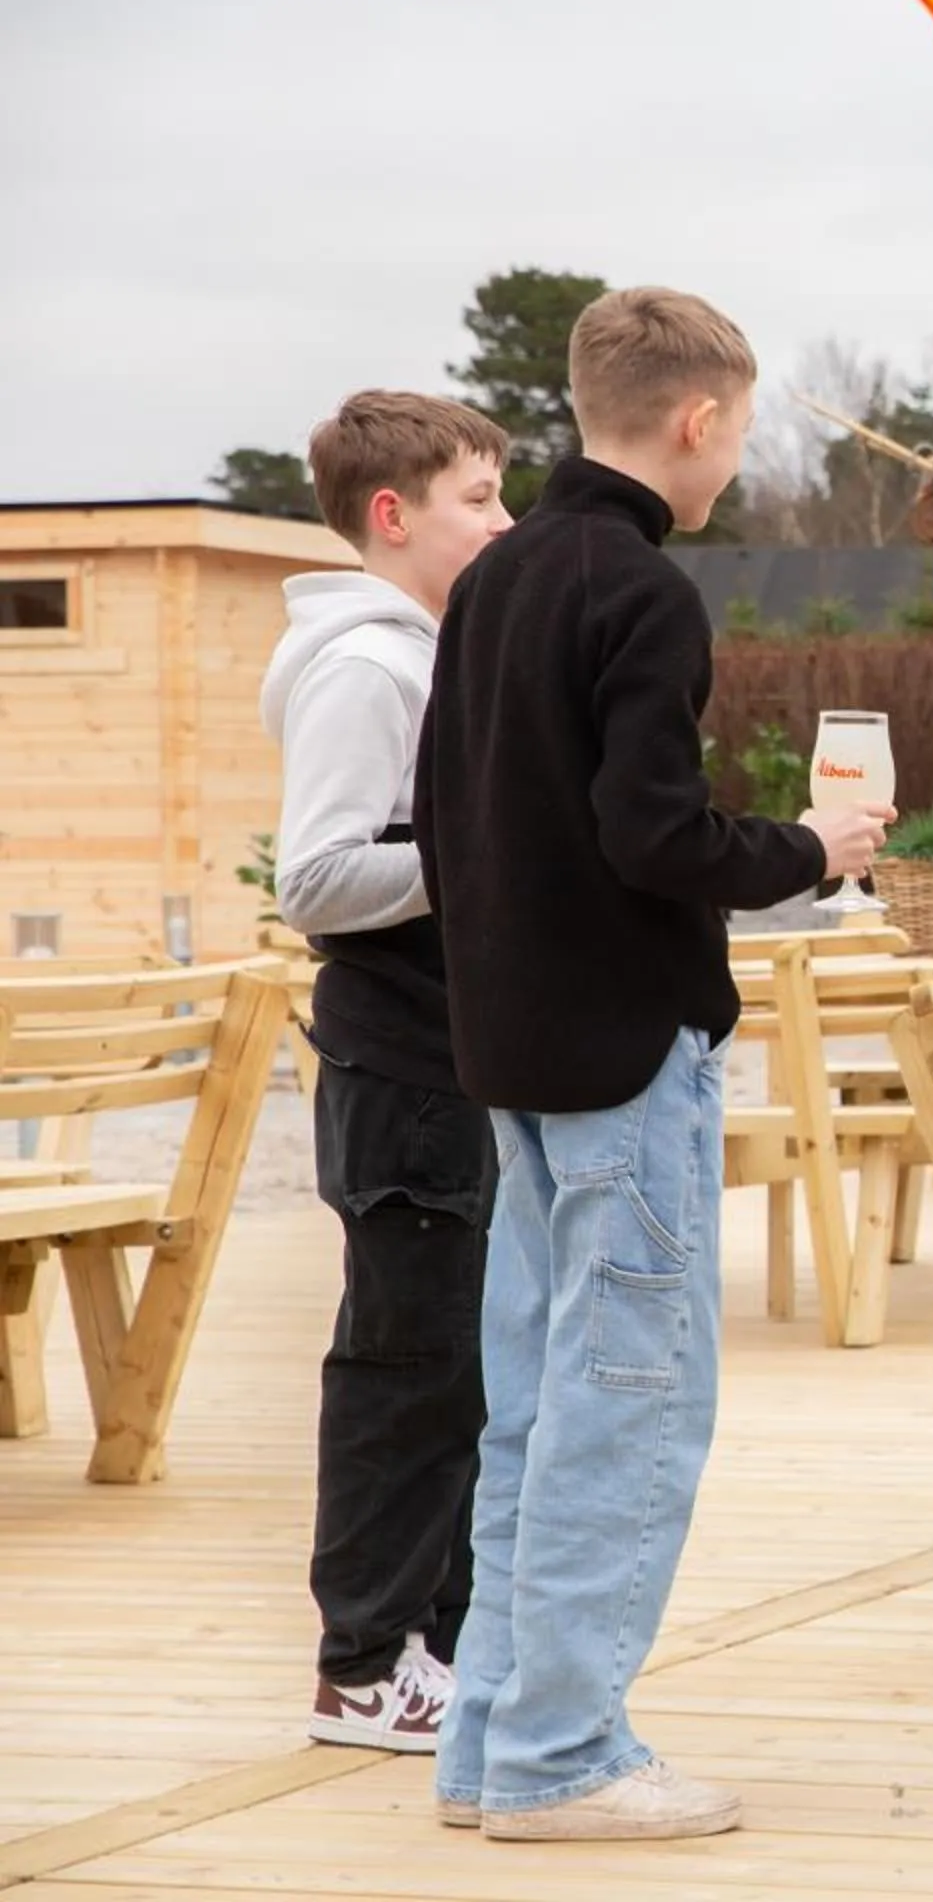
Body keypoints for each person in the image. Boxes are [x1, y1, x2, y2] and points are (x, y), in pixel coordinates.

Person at [414, 287, 891, 1842]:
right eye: (738, 434)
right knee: (632, 1401)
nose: (734, 464)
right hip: (624, 1054)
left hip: (512, 1056)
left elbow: (459, 830)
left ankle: (489, 1741)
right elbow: (652, 835)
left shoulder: (491, 585)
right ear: (697, 422)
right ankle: (562, 1758)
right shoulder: (639, 591)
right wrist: (811, 848)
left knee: (536, 1410)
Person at [261, 391, 514, 1755]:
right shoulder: (369, 666)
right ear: (392, 514)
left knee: (455, 1370)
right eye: (478, 497)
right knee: (405, 1371)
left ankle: (429, 1649)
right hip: (401, 1068)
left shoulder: (429, 651)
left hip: (444, 1065)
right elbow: (318, 876)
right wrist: (495, 858)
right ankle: (362, 1666)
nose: (504, 520)